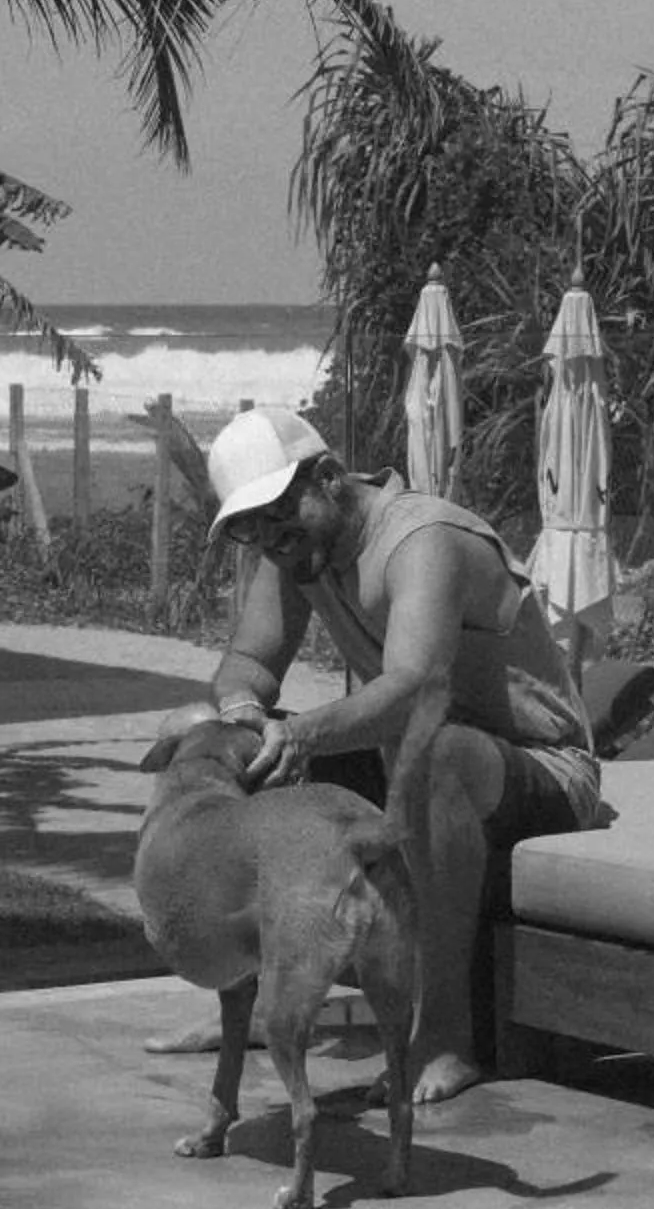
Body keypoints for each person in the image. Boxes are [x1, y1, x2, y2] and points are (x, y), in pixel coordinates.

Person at [178, 402, 603, 1104]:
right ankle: (263, 1005)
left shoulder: (421, 539)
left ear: (331, 477)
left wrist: (305, 734)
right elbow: (247, 662)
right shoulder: (298, 551)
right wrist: (246, 718)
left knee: (429, 750)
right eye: (255, 532)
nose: (276, 543)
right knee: (242, 756)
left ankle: (444, 1035)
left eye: (283, 520)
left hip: (542, 770)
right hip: (412, 754)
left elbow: (416, 689)